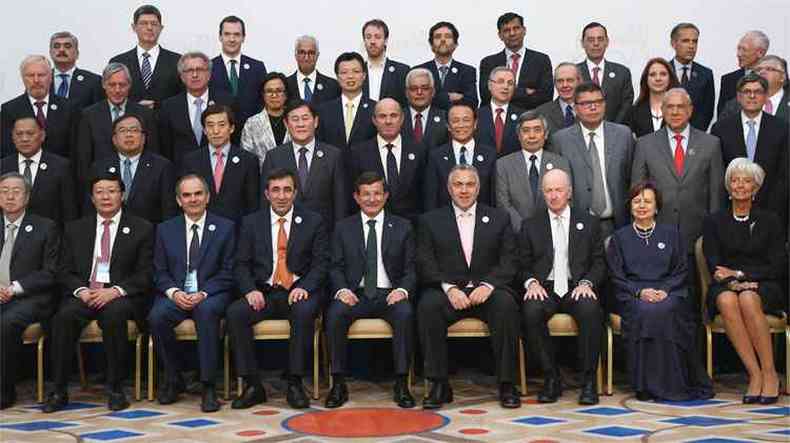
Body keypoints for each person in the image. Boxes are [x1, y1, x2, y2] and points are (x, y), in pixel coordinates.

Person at [44, 172, 154, 413]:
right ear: (92, 198)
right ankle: (59, 390)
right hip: (85, 294)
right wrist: (81, 290)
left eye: (112, 191)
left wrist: (115, 291)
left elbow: (145, 273)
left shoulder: (141, 228)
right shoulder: (75, 228)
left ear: (122, 195)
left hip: (119, 296)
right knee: (63, 318)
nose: (106, 196)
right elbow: (63, 270)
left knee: (115, 316)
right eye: (100, 192)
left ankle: (116, 389)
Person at [417, 164, 521, 409]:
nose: (464, 190)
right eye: (458, 184)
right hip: (450, 292)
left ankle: (507, 383)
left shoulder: (499, 218)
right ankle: (439, 383)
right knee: (427, 306)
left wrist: (489, 284)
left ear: (479, 188)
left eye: (470, 184)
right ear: (449, 188)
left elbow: (510, 260)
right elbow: (424, 260)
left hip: (487, 291)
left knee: (506, 305)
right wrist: (449, 288)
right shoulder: (430, 220)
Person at [226, 168, 329, 410]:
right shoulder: (251, 223)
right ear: (266, 194)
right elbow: (240, 264)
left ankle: (294, 382)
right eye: (276, 190)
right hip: (265, 291)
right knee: (235, 313)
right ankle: (253, 385)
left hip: (298, 290)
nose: (281, 196)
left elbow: (321, 263)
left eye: (287, 190)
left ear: (295, 193)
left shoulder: (314, 221)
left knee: (304, 313)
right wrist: (250, 290)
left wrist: (305, 286)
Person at [607, 181, 714, 401]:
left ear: (657, 207)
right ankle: (645, 385)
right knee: (647, 310)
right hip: (633, 295)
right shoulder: (619, 238)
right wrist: (640, 292)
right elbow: (617, 277)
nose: (642, 206)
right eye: (637, 201)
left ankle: (673, 383)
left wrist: (665, 290)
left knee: (666, 308)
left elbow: (682, 271)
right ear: (630, 206)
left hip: (670, 292)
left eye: (647, 201)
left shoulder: (672, 235)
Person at [325, 172, 416, 409]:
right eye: (366, 194)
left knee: (405, 314)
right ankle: (338, 383)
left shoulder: (403, 227)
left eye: (377, 193)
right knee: (335, 314)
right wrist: (342, 289)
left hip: (390, 294)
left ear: (386, 196)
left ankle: (401, 383)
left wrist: (403, 290)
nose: (372, 199)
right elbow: (334, 266)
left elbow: (411, 268)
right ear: (356, 197)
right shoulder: (343, 227)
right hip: (356, 293)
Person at [148, 174, 236, 412]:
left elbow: (228, 271)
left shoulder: (226, 228)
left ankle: (208, 385)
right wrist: (174, 293)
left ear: (207, 197)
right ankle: (173, 378)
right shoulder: (165, 230)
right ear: (179, 200)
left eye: (198, 194)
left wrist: (204, 293)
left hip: (210, 294)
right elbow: (159, 271)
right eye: (187, 195)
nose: (193, 199)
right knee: (157, 317)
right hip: (177, 294)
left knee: (206, 313)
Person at [703, 158, 786, 405]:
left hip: (764, 285)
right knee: (728, 300)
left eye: (746, 181)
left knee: (749, 299)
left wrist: (742, 276)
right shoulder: (714, 221)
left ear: (756, 188)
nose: (740, 185)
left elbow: (777, 264)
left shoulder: (770, 220)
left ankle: (770, 373)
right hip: (725, 286)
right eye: (735, 180)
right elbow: (715, 265)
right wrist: (734, 280)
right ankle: (755, 373)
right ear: (728, 186)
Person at [519, 168, 605, 405]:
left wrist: (587, 282)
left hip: (577, 285)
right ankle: (551, 377)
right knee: (530, 310)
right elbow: (521, 263)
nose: (553, 195)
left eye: (558, 190)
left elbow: (599, 262)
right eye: (548, 190)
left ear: (569, 192)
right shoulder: (530, 225)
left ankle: (588, 381)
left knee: (590, 310)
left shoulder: (588, 222)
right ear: (543, 194)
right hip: (544, 286)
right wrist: (531, 282)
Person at [632, 88, 723, 309]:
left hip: (696, 236)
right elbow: (637, 191)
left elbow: (716, 194)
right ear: (661, 111)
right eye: (669, 107)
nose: (675, 112)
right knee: (661, 300)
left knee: (693, 300)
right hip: (655, 235)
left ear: (690, 110)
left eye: (680, 106)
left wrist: (712, 235)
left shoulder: (711, 144)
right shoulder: (645, 144)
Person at [0, 172, 60, 409]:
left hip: (31, 297)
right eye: (4, 191)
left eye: (16, 191)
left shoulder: (46, 227)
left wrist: (13, 289)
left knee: (7, 322)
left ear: (27, 197)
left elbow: (50, 272)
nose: (10, 196)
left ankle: (4, 389)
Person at [550, 82, 634, 237]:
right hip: (577, 226)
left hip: (619, 224)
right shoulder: (560, 140)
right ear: (575, 108)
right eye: (586, 103)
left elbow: (631, 178)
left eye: (598, 102)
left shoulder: (623, 135)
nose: (593, 107)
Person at [711, 74, 788, 226]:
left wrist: (775, 204)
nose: (752, 96)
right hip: (731, 209)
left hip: (771, 210)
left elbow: (784, 172)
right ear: (738, 97)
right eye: (747, 92)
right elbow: (718, 172)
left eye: (758, 92)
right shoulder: (721, 128)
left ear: (766, 97)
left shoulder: (782, 128)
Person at [262, 100, 348, 232]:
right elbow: (265, 201)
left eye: (305, 118)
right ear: (286, 124)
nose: (300, 124)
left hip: (324, 234)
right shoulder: (274, 156)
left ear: (316, 122)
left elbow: (340, 203)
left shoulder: (333, 155)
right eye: (295, 119)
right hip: (285, 233)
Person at [75, 63, 160, 182]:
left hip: (139, 182)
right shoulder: (89, 115)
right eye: (112, 85)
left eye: (122, 85)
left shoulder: (145, 114)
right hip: (102, 185)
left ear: (129, 85)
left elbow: (153, 154)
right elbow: (84, 159)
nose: (117, 90)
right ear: (104, 85)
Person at [86, 114, 177, 224]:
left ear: (143, 138)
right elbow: (91, 208)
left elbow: (169, 210)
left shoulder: (162, 166)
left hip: (150, 234)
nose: (128, 134)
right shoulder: (99, 167)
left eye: (134, 130)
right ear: (114, 139)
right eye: (123, 130)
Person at [350, 98, 427, 223]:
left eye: (393, 116)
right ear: (374, 120)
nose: (388, 121)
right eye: (382, 116)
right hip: (373, 225)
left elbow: (426, 194)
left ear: (402, 119)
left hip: (412, 227)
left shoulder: (419, 150)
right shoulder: (358, 153)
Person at [180, 105, 259, 223]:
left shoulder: (248, 160)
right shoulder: (191, 161)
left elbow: (253, 204)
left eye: (221, 125)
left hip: (238, 231)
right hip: (202, 230)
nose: (215, 131)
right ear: (204, 130)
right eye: (210, 126)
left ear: (231, 128)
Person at [497, 111, 569, 231]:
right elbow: (503, 204)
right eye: (526, 131)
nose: (532, 136)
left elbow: (567, 199)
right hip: (518, 233)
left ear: (545, 134)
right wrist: (526, 229)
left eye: (537, 130)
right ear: (519, 136)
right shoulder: (503, 165)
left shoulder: (561, 163)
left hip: (554, 231)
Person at [159, 52, 235, 165]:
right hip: (182, 174)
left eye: (200, 70)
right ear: (182, 77)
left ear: (209, 74)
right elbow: (165, 147)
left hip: (220, 171)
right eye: (189, 71)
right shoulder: (169, 106)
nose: (195, 75)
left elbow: (235, 140)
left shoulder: (227, 102)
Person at [1, 117, 77, 225]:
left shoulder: (61, 166)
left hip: (50, 237)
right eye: (19, 134)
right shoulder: (3, 166)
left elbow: (69, 210)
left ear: (42, 136)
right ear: (12, 137)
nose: (24, 139)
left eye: (30, 133)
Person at [1, 55, 77, 159]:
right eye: (30, 75)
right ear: (23, 79)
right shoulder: (9, 110)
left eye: (41, 75)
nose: (36, 80)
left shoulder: (69, 108)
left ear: (51, 77)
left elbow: (76, 149)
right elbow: (7, 150)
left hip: (61, 172)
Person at [424, 103, 496, 210]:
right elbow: (431, 197)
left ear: (475, 123)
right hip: (446, 219)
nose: (461, 125)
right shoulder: (436, 156)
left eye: (466, 120)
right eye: (455, 120)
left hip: (482, 219)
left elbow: (493, 196)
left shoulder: (490, 155)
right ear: (448, 126)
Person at [109, 4, 182, 109]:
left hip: (165, 122)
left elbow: (183, 97)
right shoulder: (119, 62)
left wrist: (158, 105)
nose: (149, 28)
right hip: (129, 121)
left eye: (154, 24)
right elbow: (112, 95)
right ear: (134, 27)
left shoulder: (177, 61)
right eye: (143, 23)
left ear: (161, 28)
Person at [479, 12, 552, 110]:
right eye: (506, 30)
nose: (512, 33)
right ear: (500, 35)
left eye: (516, 28)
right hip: (498, 118)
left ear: (524, 30)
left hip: (531, 119)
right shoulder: (488, 63)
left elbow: (545, 97)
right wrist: (524, 92)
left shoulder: (541, 60)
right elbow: (486, 95)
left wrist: (501, 92)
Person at [210, 15, 267, 129]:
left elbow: (264, 101)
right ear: (220, 37)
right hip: (219, 134)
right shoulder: (208, 67)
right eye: (227, 34)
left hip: (252, 133)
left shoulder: (257, 67)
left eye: (236, 34)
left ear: (243, 38)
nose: (232, 39)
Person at [316, 52, 377, 153]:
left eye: (356, 71)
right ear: (337, 77)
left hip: (366, 167)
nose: (350, 76)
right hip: (332, 167)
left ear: (364, 75)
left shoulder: (375, 109)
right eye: (344, 72)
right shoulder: (323, 111)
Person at [576, 22, 633, 124]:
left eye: (600, 39)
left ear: (607, 42)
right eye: (591, 40)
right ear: (582, 43)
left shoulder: (622, 72)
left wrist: (612, 129)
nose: (596, 43)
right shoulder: (574, 72)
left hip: (615, 132)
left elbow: (626, 105)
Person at [416, 21, 478, 109]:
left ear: (456, 44)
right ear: (431, 44)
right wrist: (453, 97)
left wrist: (432, 96)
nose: (442, 40)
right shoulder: (419, 71)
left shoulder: (467, 71)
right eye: (437, 37)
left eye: (448, 36)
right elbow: (417, 100)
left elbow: (472, 101)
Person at [669, 23, 715, 131]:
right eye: (685, 41)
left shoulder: (706, 74)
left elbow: (707, 112)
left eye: (695, 41)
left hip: (695, 138)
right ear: (673, 43)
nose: (691, 46)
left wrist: (692, 135)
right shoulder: (663, 72)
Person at [240, 72, 292, 167]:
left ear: (286, 94)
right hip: (262, 178)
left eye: (279, 90)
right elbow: (246, 158)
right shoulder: (252, 123)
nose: (274, 95)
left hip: (294, 179)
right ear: (263, 95)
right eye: (269, 91)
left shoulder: (296, 120)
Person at [721, 55, 790, 122]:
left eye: (769, 69)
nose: (762, 72)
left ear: (782, 77)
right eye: (758, 69)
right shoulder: (735, 105)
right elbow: (721, 130)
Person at [718, 31, 769, 118]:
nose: (739, 54)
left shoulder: (773, 79)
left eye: (744, 49)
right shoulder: (728, 80)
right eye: (738, 49)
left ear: (760, 53)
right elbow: (722, 117)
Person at [48, 31, 104, 111]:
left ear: (77, 53)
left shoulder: (94, 81)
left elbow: (99, 112)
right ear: (50, 53)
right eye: (57, 46)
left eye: (67, 46)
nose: (61, 50)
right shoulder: (40, 79)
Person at [361, 19, 409, 107]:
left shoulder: (402, 71)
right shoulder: (358, 71)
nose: (372, 41)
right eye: (368, 37)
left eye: (377, 37)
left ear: (386, 40)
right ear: (364, 41)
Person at [626, 58, 680, 137]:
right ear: (646, 79)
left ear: (670, 78)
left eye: (663, 74)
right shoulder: (634, 111)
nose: (658, 78)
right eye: (652, 75)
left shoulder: (681, 110)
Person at [477, 67, 523, 156]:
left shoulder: (523, 116)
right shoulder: (476, 115)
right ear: (490, 85)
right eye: (500, 81)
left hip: (512, 167)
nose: (506, 87)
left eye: (510, 83)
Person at [400, 68, 449, 150]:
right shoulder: (396, 117)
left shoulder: (445, 118)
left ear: (433, 92)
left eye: (425, 88)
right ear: (406, 93)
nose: (419, 92)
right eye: (414, 89)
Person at [286, 35, 341, 105]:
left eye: (311, 53)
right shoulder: (285, 85)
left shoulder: (333, 86)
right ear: (296, 55)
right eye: (302, 52)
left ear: (317, 55)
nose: (306, 57)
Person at [534, 63, 581, 137]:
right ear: (554, 84)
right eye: (560, 81)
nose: (565, 85)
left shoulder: (590, 109)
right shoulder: (541, 113)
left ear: (579, 82)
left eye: (570, 80)